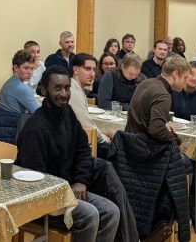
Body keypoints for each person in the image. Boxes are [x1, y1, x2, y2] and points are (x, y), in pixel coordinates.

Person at [16, 66, 120, 242]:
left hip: (69, 188)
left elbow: (83, 150)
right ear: (44, 90)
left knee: (111, 211)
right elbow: (34, 178)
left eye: (67, 88)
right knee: (89, 215)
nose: (64, 94)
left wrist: (80, 180)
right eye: (57, 88)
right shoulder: (35, 128)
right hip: (42, 198)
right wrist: (65, 192)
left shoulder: (67, 113)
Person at [120, 56, 192, 241]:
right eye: (184, 78)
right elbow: (156, 129)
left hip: (130, 147)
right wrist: (175, 138)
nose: (185, 82)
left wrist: (164, 124)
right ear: (175, 74)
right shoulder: (163, 94)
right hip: (146, 153)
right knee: (187, 163)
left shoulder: (146, 83)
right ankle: (176, 217)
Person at [68, 53, 109, 143]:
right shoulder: (73, 91)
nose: (92, 74)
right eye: (87, 69)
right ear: (76, 70)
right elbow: (86, 125)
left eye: (94, 70)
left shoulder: (76, 88)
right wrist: (103, 138)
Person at [0, 50, 39, 115]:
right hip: (17, 124)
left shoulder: (7, 83)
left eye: (32, 68)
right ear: (15, 67)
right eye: (26, 68)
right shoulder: (23, 89)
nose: (30, 72)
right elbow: (38, 114)